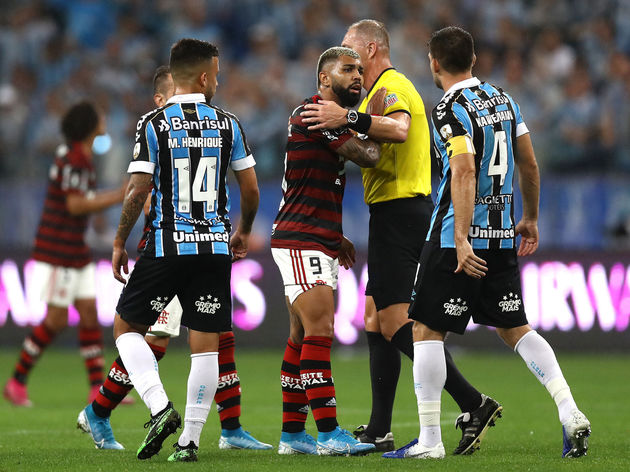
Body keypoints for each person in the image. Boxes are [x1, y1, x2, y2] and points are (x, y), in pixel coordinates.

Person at [386, 26, 591, 460]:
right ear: (474, 60)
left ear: (434, 64)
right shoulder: (504, 100)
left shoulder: (447, 109)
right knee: (515, 328)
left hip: (455, 238)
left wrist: (460, 237)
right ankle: (569, 410)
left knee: (426, 329)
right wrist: (530, 217)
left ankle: (429, 441)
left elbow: (462, 169)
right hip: (500, 235)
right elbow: (529, 164)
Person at [301, 19, 499, 455]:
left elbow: (401, 129)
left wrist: (347, 117)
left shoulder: (392, 86)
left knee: (393, 321)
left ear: (372, 49)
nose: (349, 60)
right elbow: (379, 147)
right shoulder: (378, 93)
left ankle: (473, 402)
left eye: (352, 51)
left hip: (401, 211)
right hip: (393, 211)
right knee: (374, 319)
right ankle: (379, 429)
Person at [77, 65, 270, 452]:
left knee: (218, 339)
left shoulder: (174, 131)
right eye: (163, 100)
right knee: (159, 343)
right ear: (159, 100)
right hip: (170, 251)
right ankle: (99, 410)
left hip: (183, 250)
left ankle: (229, 428)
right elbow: (145, 195)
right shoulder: (165, 131)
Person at [272, 46, 380, 456]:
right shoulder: (317, 114)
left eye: (359, 70)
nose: (358, 76)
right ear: (323, 79)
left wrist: (336, 236)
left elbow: (314, 182)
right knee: (320, 331)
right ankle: (330, 434)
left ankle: (292, 434)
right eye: (348, 70)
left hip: (312, 235)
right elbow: (368, 155)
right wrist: (382, 130)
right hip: (302, 239)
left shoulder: (324, 118)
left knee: (300, 335)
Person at [3, 101, 125, 407]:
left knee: (87, 313)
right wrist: (118, 196)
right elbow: (74, 205)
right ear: (89, 125)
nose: (103, 118)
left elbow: (79, 203)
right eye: (100, 115)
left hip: (73, 249)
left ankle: (97, 387)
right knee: (56, 319)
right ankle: (16, 382)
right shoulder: (75, 160)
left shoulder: (79, 157)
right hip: (58, 250)